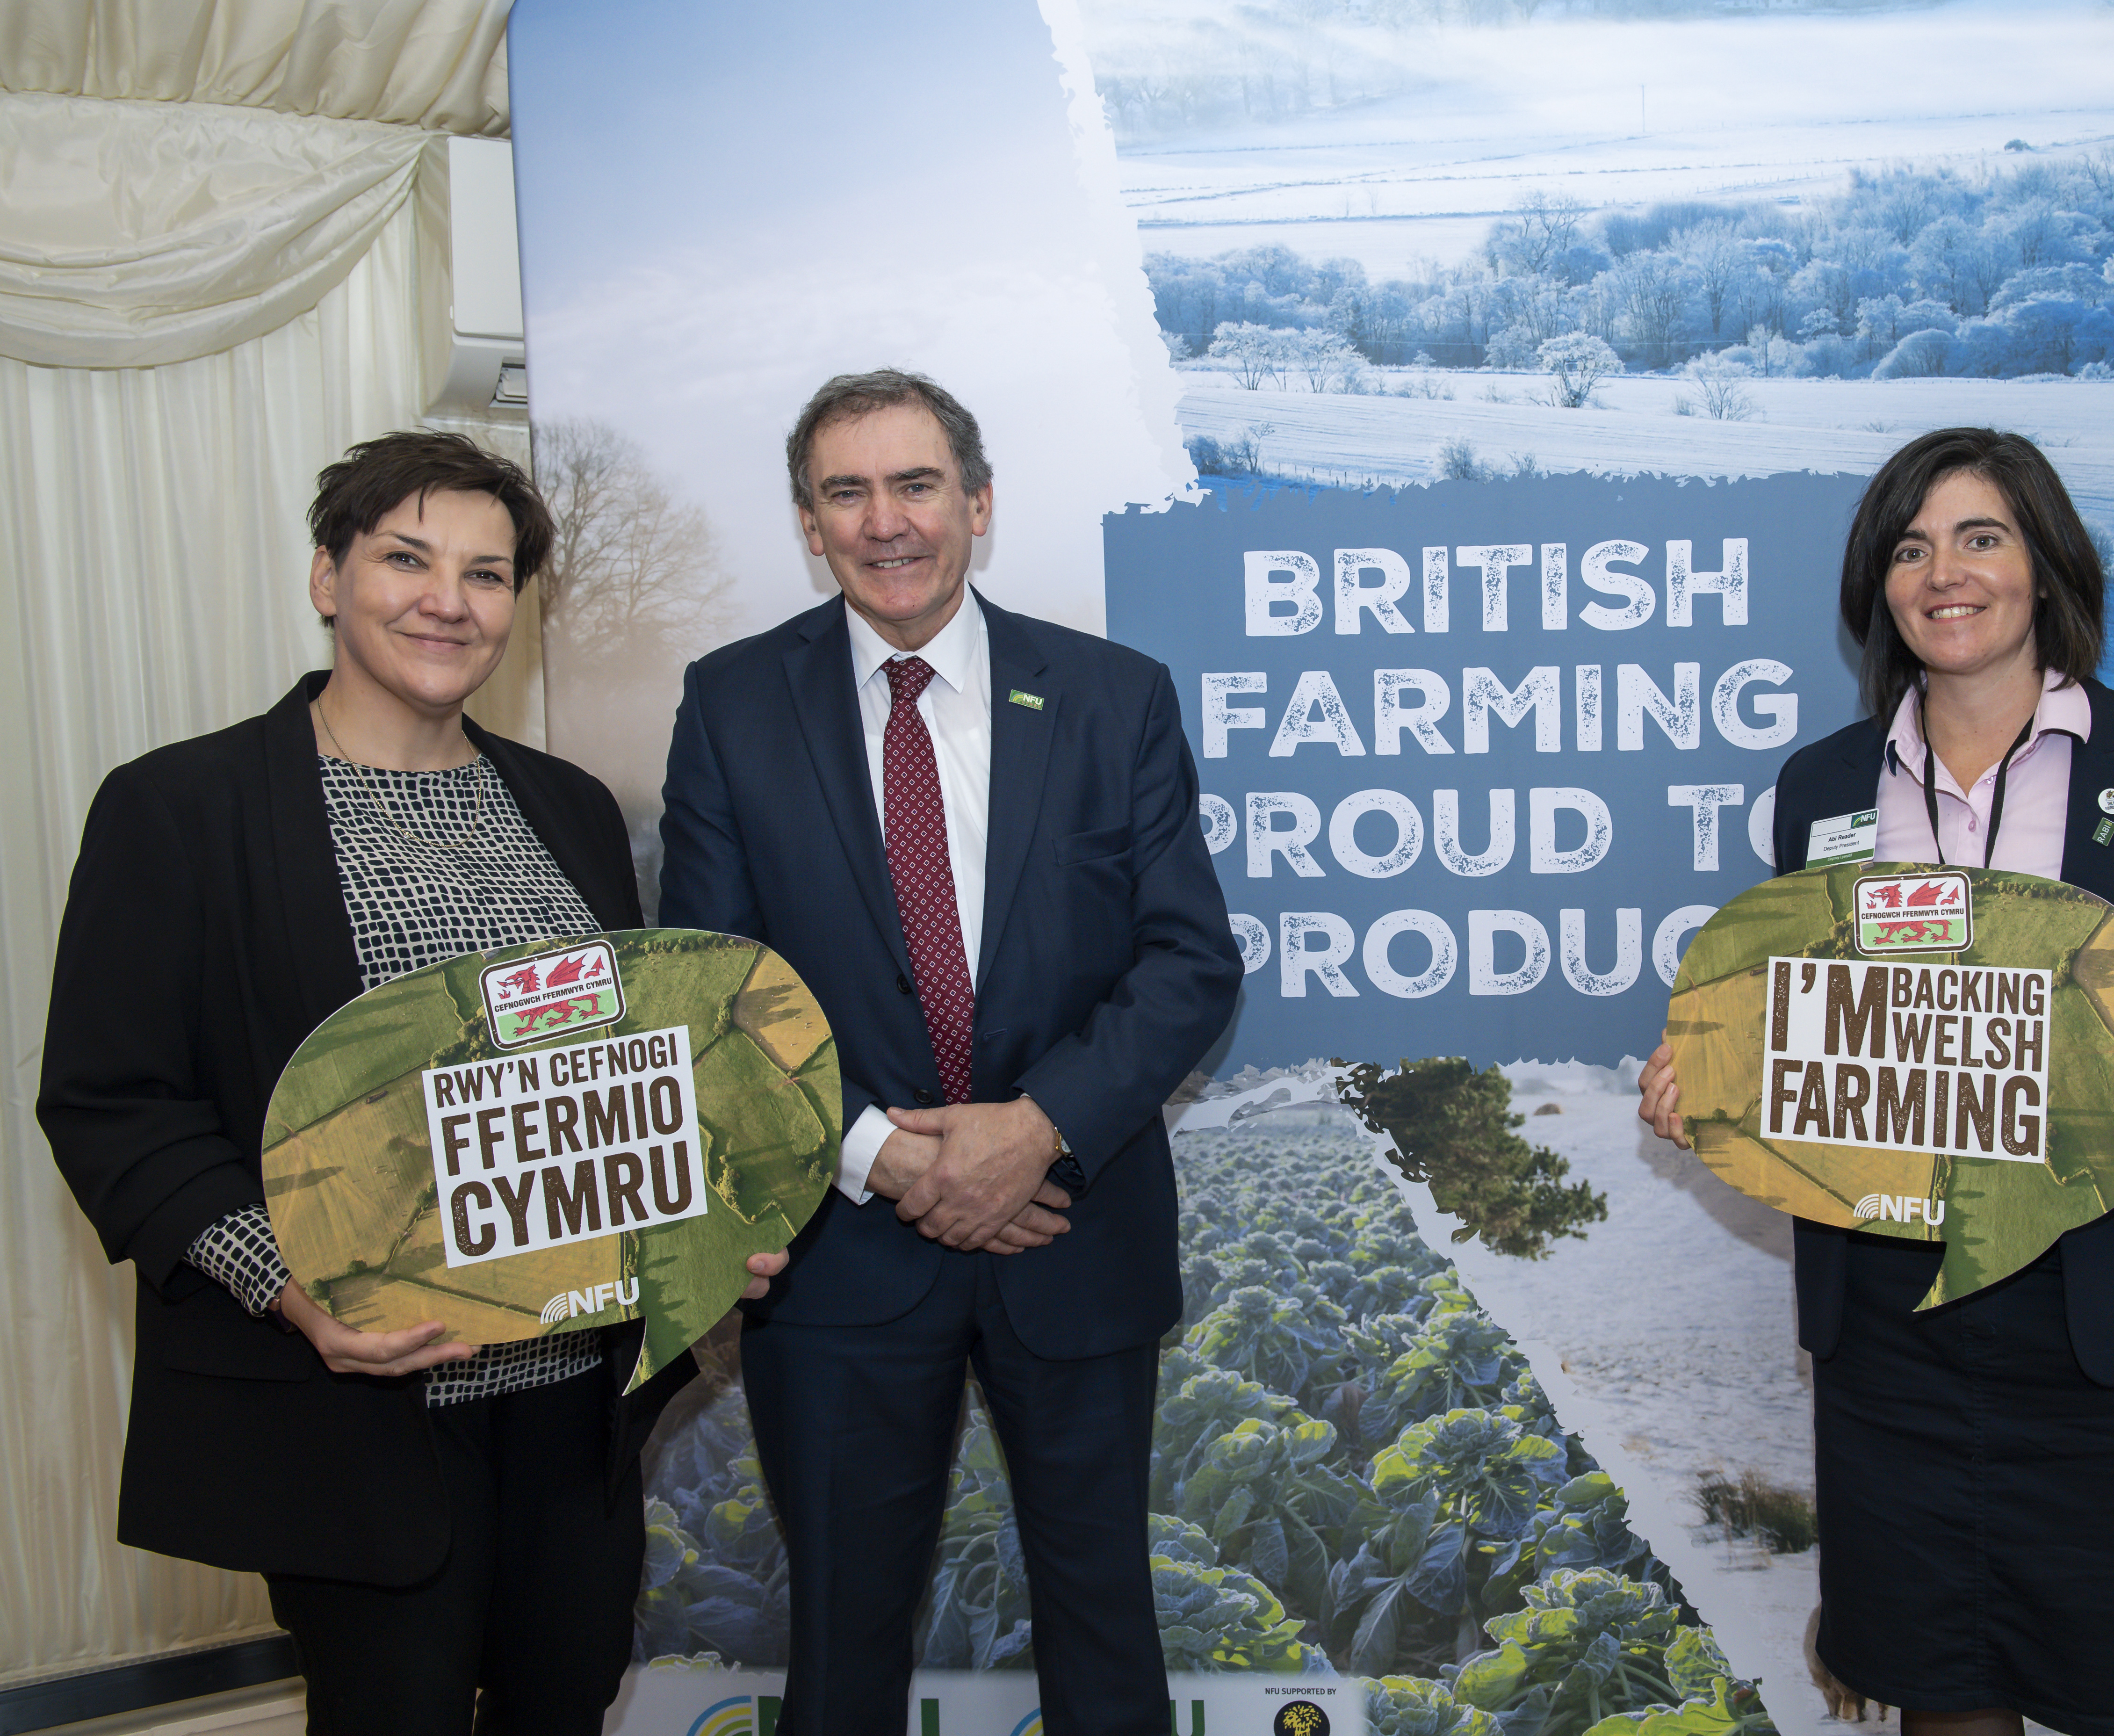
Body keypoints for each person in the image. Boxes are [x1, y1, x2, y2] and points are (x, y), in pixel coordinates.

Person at [38, 430, 784, 1736]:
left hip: (570, 1411)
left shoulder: (567, 807)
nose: (450, 599)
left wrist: (704, 1227)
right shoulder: (181, 808)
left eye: (489, 574)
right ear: (328, 576)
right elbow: (115, 1104)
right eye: (407, 558)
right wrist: (292, 1286)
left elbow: (618, 1077)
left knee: (565, 1703)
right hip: (357, 1412)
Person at [1638, 427, 2114, 1736]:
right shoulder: (1823, 789)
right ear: (1879, 589)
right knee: (1940, 1690)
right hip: (1899, 1329)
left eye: (1980, 537)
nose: (1944, 573)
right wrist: (1711, 1081)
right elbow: (1806, 1023)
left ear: (2044, 564)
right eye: (1910, 547)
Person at [657, 369, 1241, 1736]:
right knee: (841, 1646)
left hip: (1071, 1237)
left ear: (977, 504)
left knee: (1105, 1630)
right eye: (846, 492)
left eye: (916, 484)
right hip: (841, 1258)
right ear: (808, 524)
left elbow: (1189, 961)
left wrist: (1033, 1127)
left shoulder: (1112, 696)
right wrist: (884, 1156)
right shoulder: (733, 708)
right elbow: (708, 990)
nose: (886, 521)